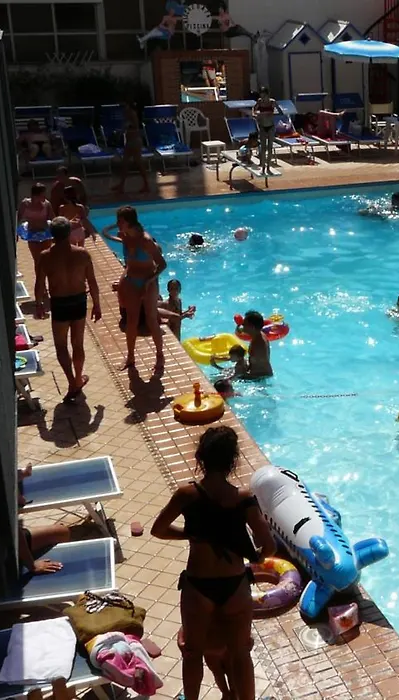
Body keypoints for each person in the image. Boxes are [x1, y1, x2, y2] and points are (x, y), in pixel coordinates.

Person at [151, 426, 277, 700]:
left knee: (193, 653)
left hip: (199, 585)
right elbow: (269, 546)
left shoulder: (186, 494)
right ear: (233, 460)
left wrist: (189, 534)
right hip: (235, 584)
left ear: (201, 457)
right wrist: (254, 555)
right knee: (240, 654)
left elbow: (158, 530)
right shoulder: (243, 498)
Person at [34, 217, 102, 402]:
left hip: (59, 303)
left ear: (51, 234)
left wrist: (39, 305)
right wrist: (97, 304)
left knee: (61, 345)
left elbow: (39, 284)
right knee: (77, 344)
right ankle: (78, 379)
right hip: (78, 301)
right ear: (69, 232)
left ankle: (72, 382)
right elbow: (92, 282)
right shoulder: (82, 254)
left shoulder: (45, 256)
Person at [101, 207, 166, 373]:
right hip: (131, 281)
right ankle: (130, 357)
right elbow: (106, 233)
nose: (117, 224)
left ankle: (160, 356)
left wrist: (149, 282)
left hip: (148, 283)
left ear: (129, 222)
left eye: (120, 221)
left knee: (151, 319)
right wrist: (122, 280)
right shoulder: (124, 236)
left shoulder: (146, 241)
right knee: (131, 321)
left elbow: (162, 264)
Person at [18, 183, 56, 316]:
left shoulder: (46, 204)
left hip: (45, 234)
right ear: (36, 195)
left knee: (47, 260)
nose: (44, 196)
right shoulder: (25, 204)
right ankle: (42, 287)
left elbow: (53, 218)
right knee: (37, 261)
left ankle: (49, 287)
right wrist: (16, 232)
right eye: (42, 194)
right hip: (32, 234)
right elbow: (18, 218)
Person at [112, 102, 149, 194]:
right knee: (125, 164)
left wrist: (126, 127)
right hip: (130, 142)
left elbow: (135, 127)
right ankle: (121, 185)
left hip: (134, 142)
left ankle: (146, 184)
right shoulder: (127, 115)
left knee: (138, 164)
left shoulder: (132, 114)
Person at [240, 310, 273, 378]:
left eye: (245, 323)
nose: (242, 325)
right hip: (258, 373)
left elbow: (260, 370)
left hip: (260, 377)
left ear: (252, 327)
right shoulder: (259, 334)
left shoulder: (258, 346)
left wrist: (241, 375)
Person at [251, 86, 277, 170]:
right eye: (261, 96)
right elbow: (254, 109)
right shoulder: (259, 101)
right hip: (262, 126)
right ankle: (263, 166)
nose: (263, 98)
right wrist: (254, 114)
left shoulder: (272, 102)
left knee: (270, 147)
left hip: (270, 126)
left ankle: (268, 165)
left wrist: (264, 113)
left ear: (267, 95)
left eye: (264, 96)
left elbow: (276, 112)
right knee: (263, 147)